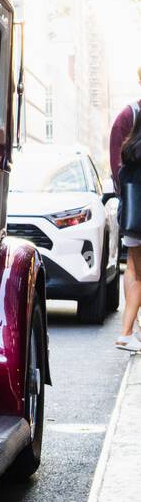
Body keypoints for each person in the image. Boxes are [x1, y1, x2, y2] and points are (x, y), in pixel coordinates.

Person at [110, 69, 141, 351]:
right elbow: (115, 168)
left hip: (134, 211)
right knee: (135, 268)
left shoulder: (130, 118)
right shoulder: (128, 115)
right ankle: (127, 331)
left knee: (133, 267)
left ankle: (128, 330)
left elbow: (119, 168)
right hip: (135, 208)